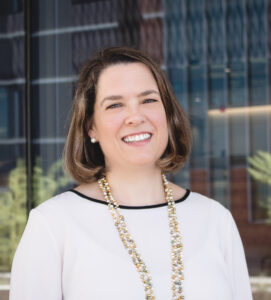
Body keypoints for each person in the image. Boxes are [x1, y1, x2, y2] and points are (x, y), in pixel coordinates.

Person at [9, 47, 253, 300]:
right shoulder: (53, 225)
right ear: (91, 127)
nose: (135, 117)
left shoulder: (216, 221)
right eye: (115, 105)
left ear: (168, 115)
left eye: (148, 100)